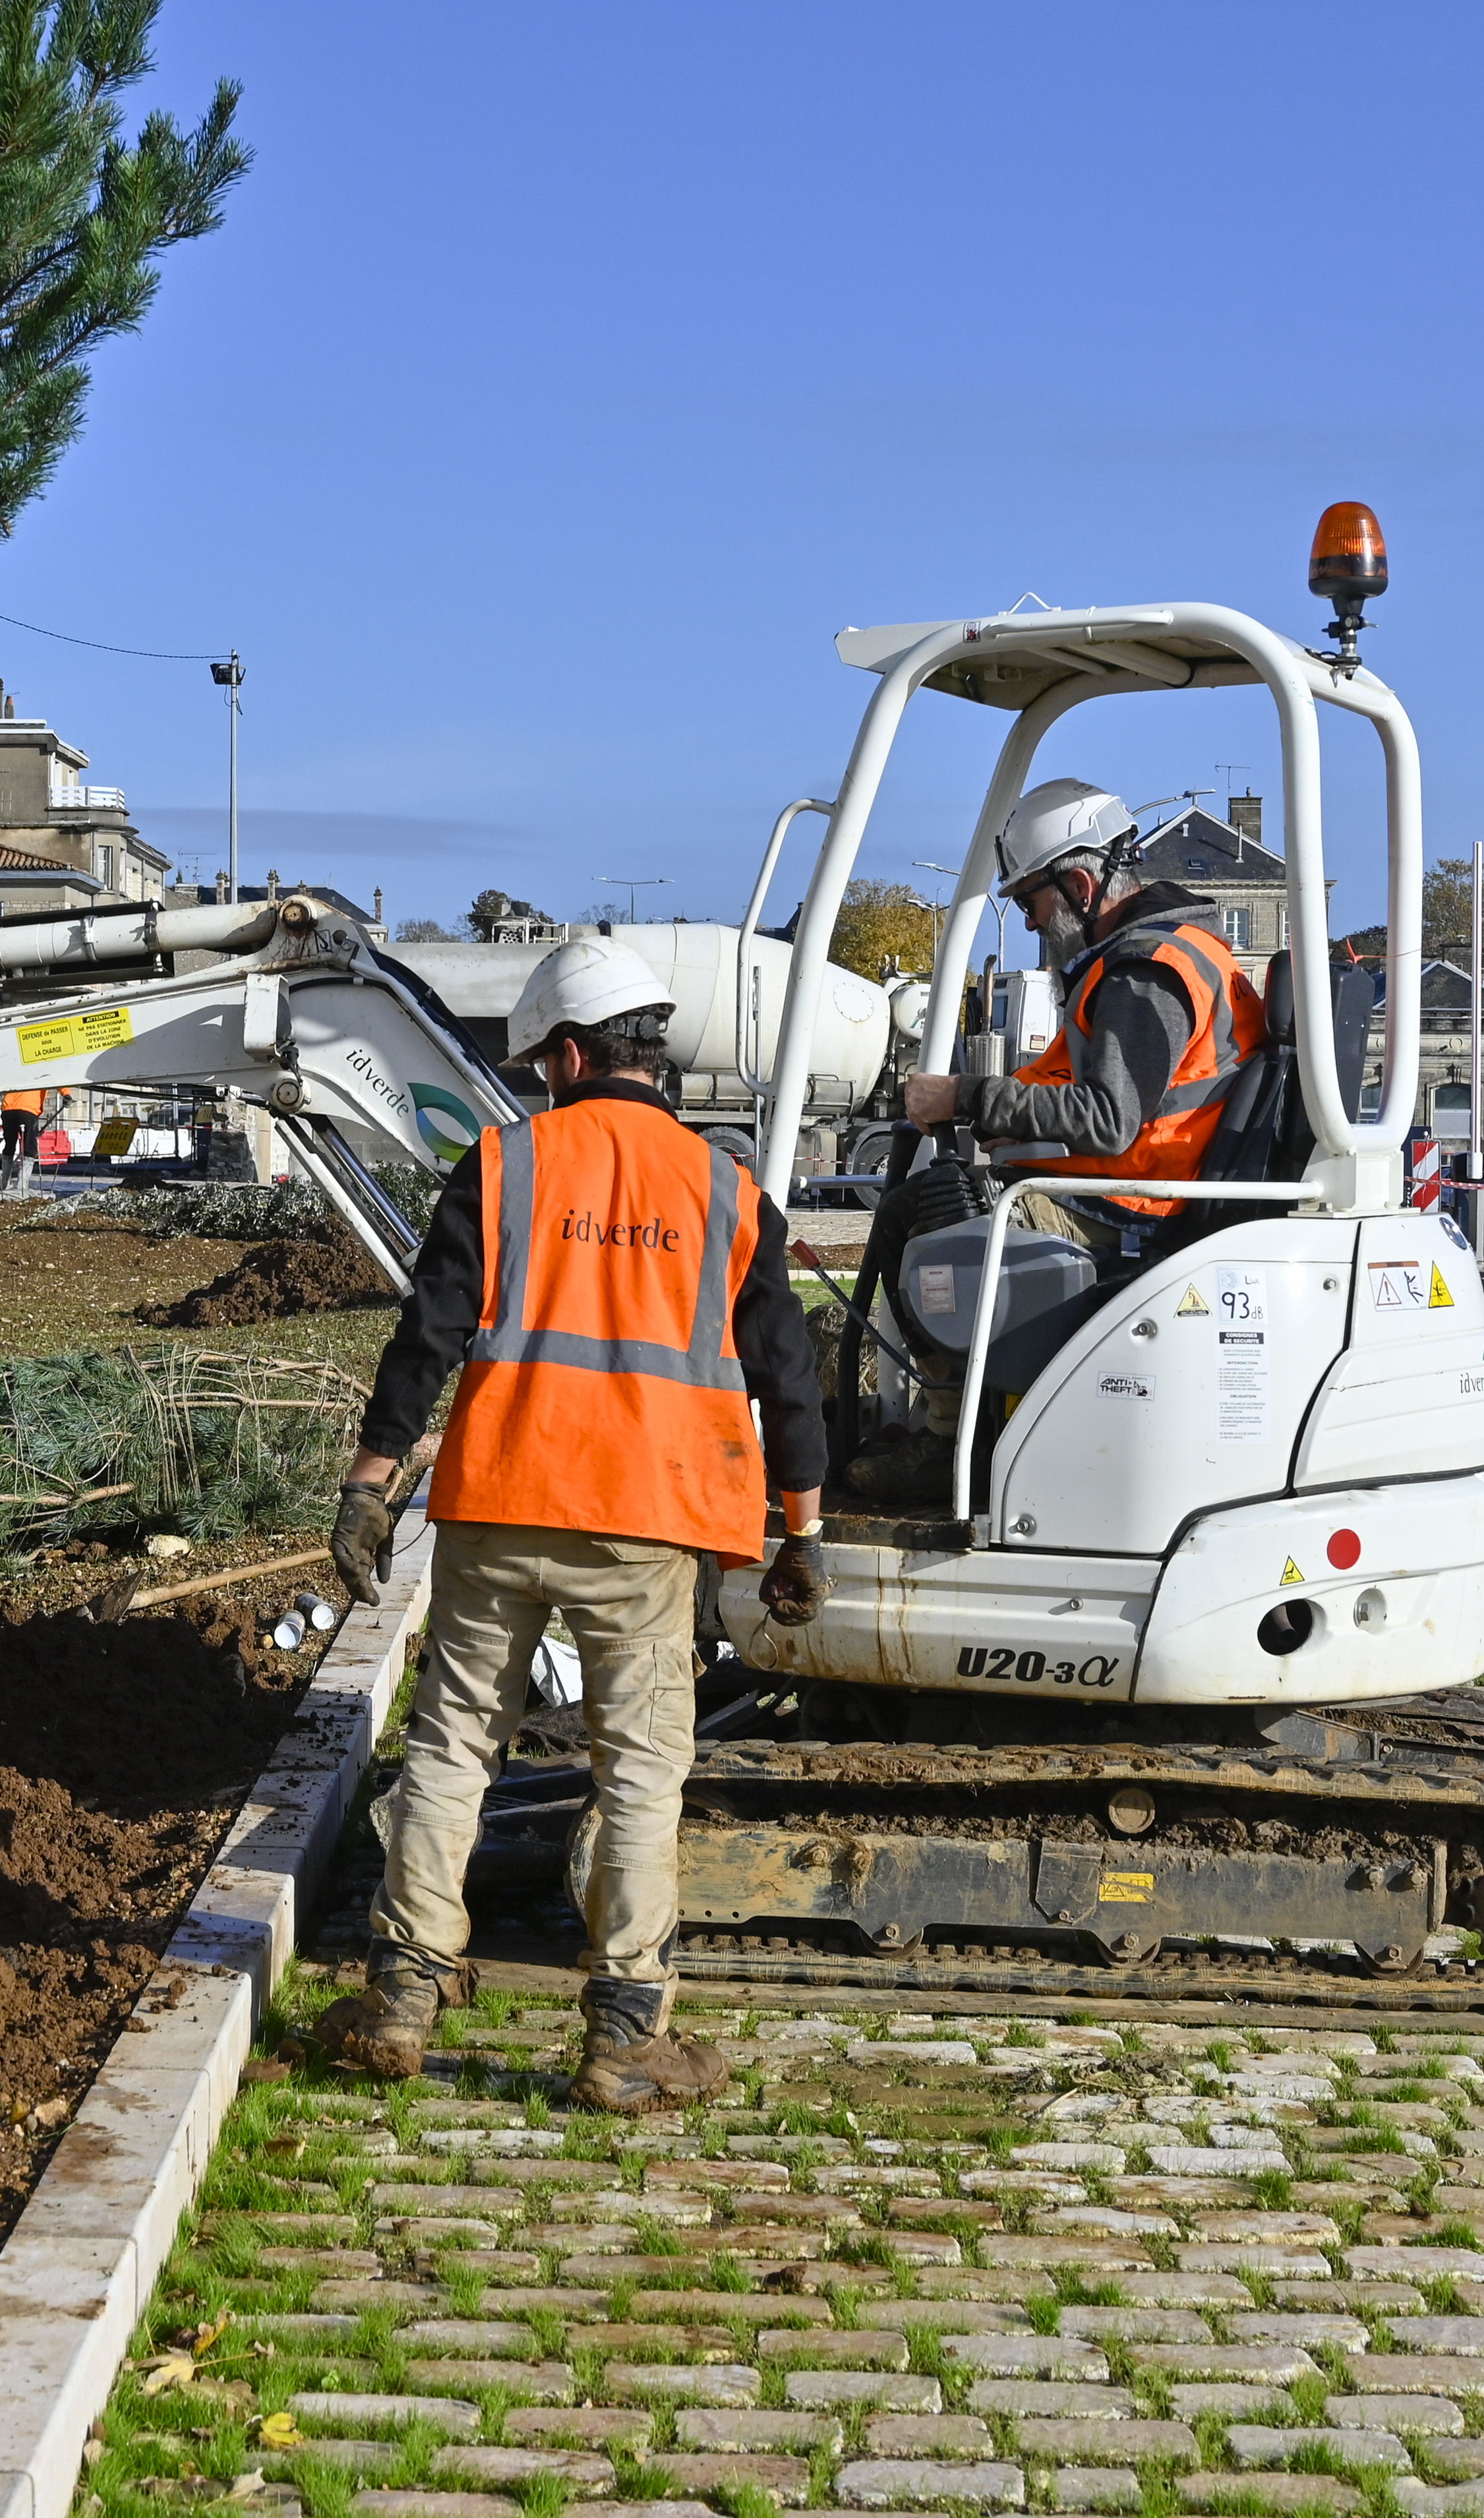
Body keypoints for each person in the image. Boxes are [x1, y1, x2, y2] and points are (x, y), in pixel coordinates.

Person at [316, 937, 831, 2111]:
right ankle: (625, 2034)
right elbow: (787, 1375)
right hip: (646, 1524)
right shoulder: (724, 1188)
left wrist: (368, 1482)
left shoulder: (502, 1165)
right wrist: (801, 1531)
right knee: (640, 1770)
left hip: (499, 1500)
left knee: (452, 1744)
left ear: (565, 1053)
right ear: (651, 1055)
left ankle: (400, 1993)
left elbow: (425, 1336)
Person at [899, 779, 1267, 1249]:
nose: (1030, 922)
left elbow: (1109, 1119)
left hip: (1137, 1210)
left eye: (1029, 902)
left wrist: (966, 1096)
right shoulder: (1163, 955)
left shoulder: (1143, 976)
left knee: (926, 1216)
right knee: (917, 1204)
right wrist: (1019, 1125)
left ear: (1080, 887)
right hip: (1137, 1189)